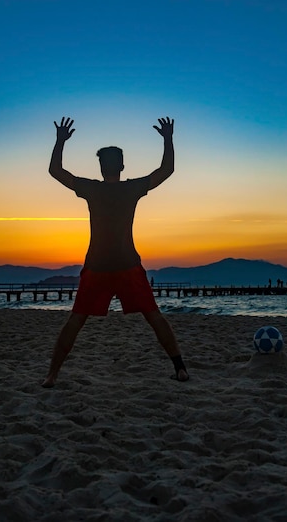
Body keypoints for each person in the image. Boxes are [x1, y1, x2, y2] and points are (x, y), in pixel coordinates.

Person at [42, 116, 188, 387]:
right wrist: (168, 138)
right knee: (154, 316)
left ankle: (52, 375)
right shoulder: (131, 188)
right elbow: (166, 170)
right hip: (127, 264)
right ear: (121, 165)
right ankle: (180, 368)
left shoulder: (91, 189)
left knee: (76, 320)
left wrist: (60, 141)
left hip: (97, 265)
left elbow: (56, 171)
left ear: (100, 166)